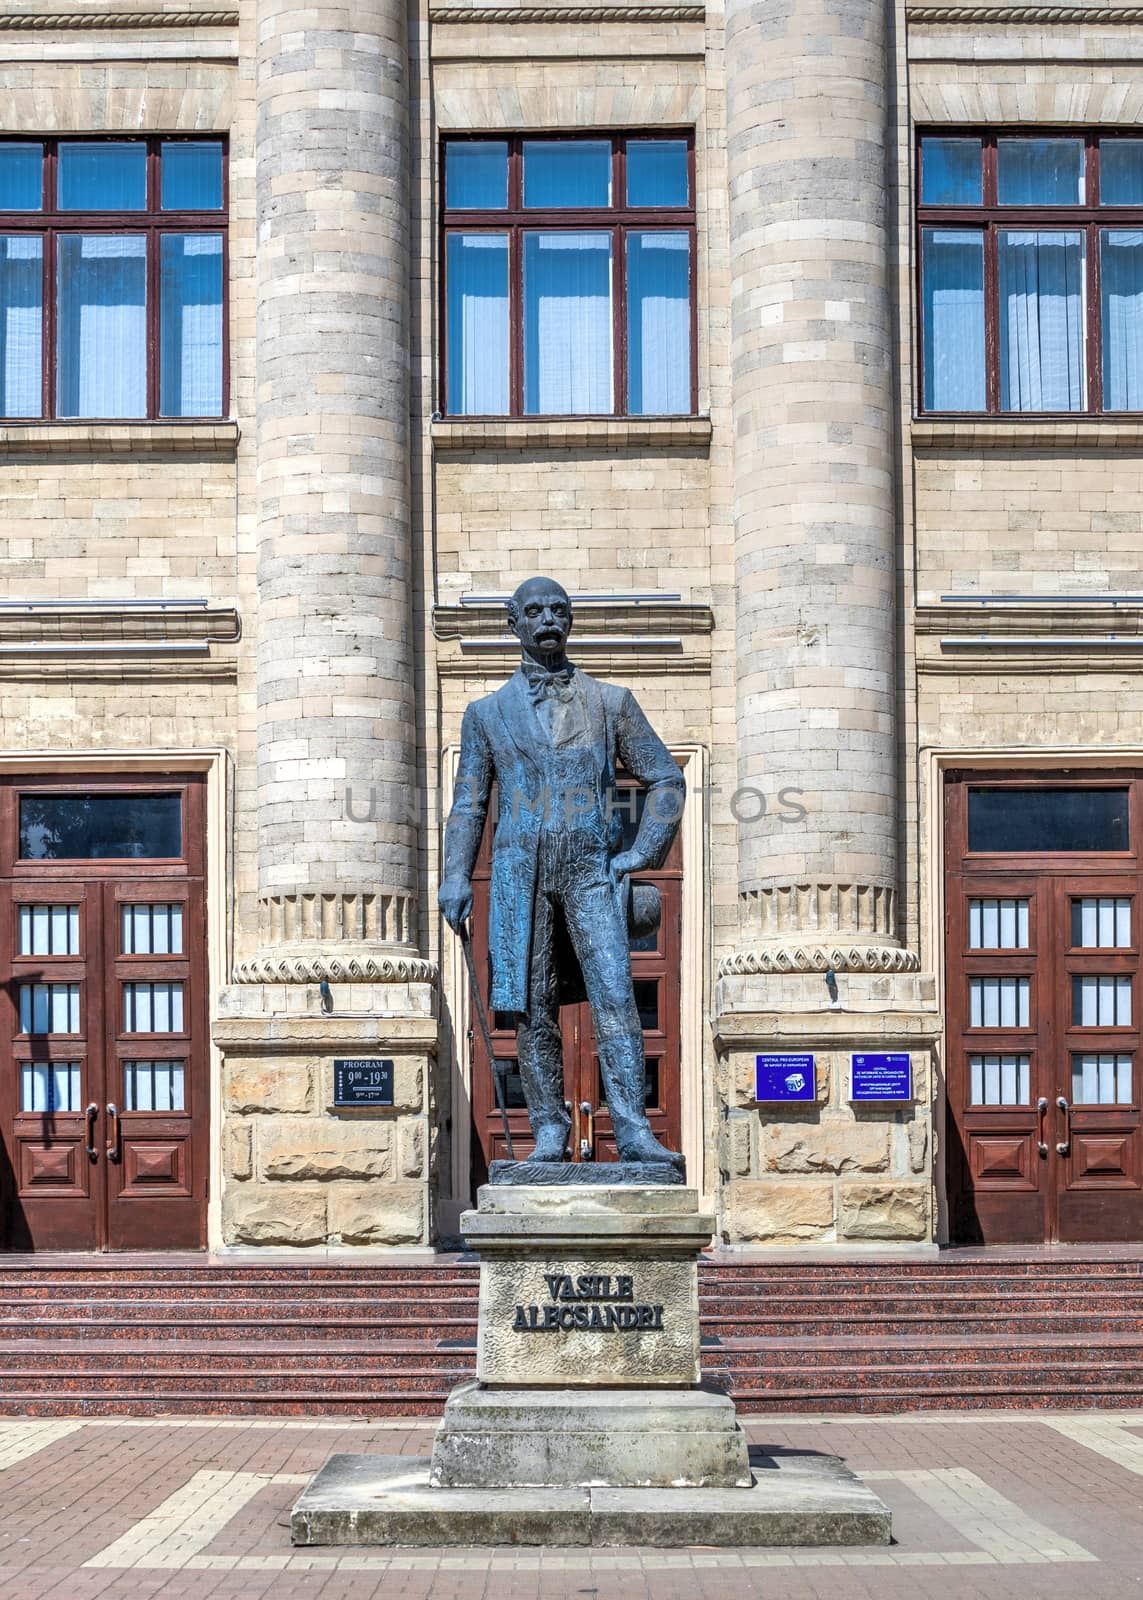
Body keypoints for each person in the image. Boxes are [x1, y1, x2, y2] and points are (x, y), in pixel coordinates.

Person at [439, 576, 686, 1171]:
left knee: (615, 998)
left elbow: (666, 780)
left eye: (558, 609)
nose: (548, 618)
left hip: (592, 871)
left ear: (570, 620)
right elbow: (469, 803)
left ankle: (631, 1131)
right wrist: (454, 876)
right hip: (519, 876)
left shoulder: (611, 703)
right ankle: (549, 1130)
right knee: (530, 1006)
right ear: (514, 623)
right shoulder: (486, 714)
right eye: (534, 610)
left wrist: (640, 854)